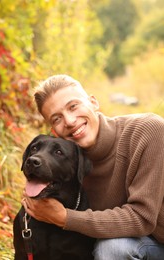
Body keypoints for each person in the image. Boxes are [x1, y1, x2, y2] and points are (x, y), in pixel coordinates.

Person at [22, 74, 164, 259]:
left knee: (112, 249)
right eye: (56, 118)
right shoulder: (70, 164)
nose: (70, 121)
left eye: (73, 106)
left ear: (93, 102)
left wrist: (65, 218)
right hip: (136, 242)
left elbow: (143, 218)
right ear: (53, 130)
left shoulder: (148, 131)